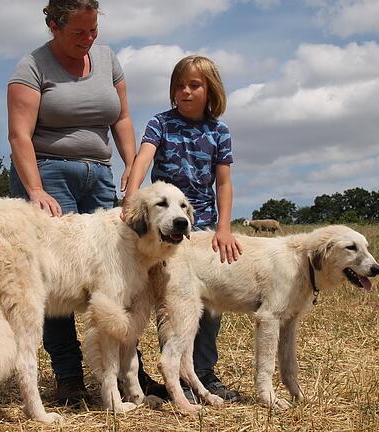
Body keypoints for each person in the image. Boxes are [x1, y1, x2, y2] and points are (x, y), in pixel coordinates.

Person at [7, 0, 138, 406]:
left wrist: (132, 165)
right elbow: (19, 136)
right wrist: (35, 190)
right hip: (48, 174)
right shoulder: (32, 67)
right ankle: (68, 377)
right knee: (56, 277)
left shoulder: (107, 59)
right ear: (53, 25)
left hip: (99, 175)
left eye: (93, 30)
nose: (89, 39)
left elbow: (122, 118)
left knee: (117, 277)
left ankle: (124, 373)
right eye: (78, 32)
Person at [122, 55, 244, 403]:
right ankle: (174, 376)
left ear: (211, 91)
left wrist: (224, 228)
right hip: (164, 232)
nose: (185, 91)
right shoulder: (161, 123)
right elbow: (142, 160)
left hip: (201, 229)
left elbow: (223, 183)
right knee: (173, 303)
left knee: (207, 307)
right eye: (180, 85)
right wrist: (131, 200)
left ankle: (203, 374)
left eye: (194, 85)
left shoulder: (219, 131)